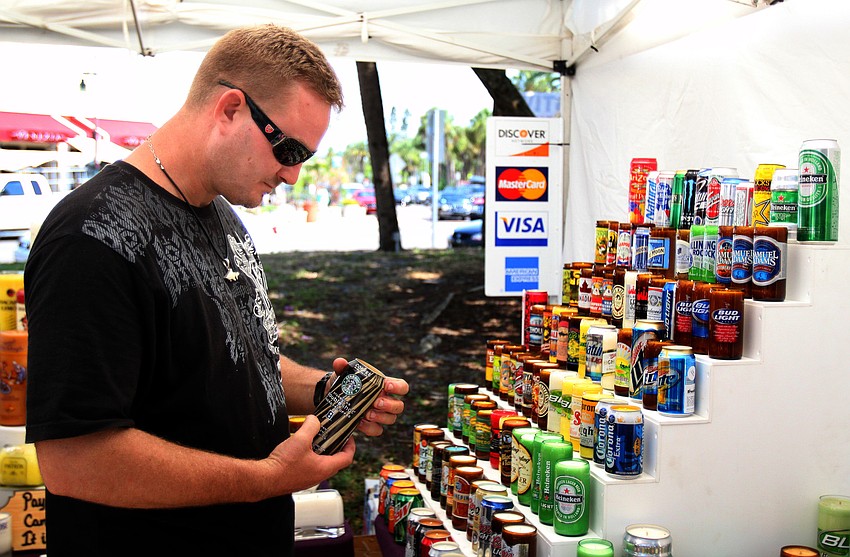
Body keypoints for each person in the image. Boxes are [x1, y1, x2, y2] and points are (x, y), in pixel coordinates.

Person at [24, 25, 409, 556]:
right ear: (230, 108)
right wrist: (268, 477)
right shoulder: (90, 236)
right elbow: (75, 461)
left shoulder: (221, 211)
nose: (294, 174)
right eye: (289, 147)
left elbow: (238, 356)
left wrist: (323, 391)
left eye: (307, 157)